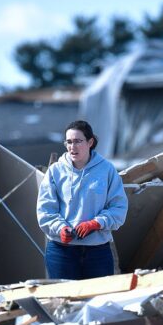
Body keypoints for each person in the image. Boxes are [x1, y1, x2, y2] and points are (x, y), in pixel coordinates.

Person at [36, 120, 128, 280]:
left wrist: (97, 223)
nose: (73, 147)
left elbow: (118, 207)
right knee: (65, 301)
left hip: (97, 252)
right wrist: (60, 228)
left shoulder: (106, 170)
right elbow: (45, 210)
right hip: (61, 252)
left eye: (78, 141)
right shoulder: (55, 171)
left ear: (90, 142)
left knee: (97, 301)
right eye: (69, 142)